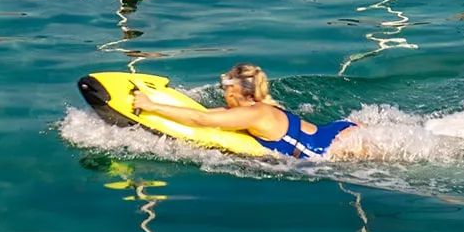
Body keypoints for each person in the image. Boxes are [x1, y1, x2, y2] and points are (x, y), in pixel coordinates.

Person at [130, 63, 365, 160]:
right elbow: (204, 113)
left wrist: (151, 106)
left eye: (225, 85)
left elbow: (201, 119)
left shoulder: (254, 114)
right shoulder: (260, 108)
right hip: (337, 131)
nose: (222, 90)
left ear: (237, 90)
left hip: (330, 149)